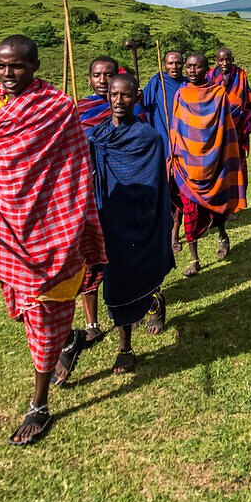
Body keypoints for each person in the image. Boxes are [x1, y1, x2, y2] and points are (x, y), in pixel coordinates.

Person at [0, 35, 106, 445]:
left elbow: (73, 168)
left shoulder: (56, 108)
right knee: (31, 311)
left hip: (52, 228)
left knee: (44, 313)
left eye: (16, 66)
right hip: (7, 230)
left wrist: (64, 220)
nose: (7, 74)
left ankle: (39, 405)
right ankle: (68, 339)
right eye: (1, 66)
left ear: (36, 66)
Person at [81, 74, 175, 374]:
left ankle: (139, 327)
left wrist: (136, 211)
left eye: (125, 96)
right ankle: (122, 344)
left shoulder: (148, 138)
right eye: (113, 95)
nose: (118, 101)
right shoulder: (97, 135)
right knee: (113, 284)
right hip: (105, 217)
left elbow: (152, 185)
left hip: (136, 220)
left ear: (136, 97)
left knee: (136, 277)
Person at [70, 56, 147, 352]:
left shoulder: (133, 110)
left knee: (124, 257)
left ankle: (136, 306)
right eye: (97, 75)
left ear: (118, 77)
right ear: (89, 79)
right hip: (88, 194)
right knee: (89, 258)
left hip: (124, 193)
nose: (102, 80)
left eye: (109, 75)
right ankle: (91, 323)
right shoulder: (78, 110)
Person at [169, 53, 245, 275]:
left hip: (214, 159)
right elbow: (176, 126)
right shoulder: (181, 94)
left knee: (217, 206)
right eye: (189, 66)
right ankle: (194, 259)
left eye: (197, 67)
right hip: (187, 163)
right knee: (190, 211)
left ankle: (222, 235)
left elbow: (225, 126)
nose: (192, 70)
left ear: (206, 69)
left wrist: (220, 154)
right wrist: (175, 154)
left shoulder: (218, 93)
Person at [142, 50, 188, 250]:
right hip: (162, 145)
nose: (174, 67)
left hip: (185, 146)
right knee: (165, 192)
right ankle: (167, 232)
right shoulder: (157, 82)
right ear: (164, 64)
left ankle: (176, 232)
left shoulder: (187, 84)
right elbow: (143, 106)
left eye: (178, 63)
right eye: (170, 63)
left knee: (181, 191)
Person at [208, 47, 251, 195]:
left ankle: (235, 204)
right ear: (216, 61)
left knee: (237, 167)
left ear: (232, 59)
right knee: (216, 167)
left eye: (228, 59)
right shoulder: (209, 76)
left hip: (237, 131)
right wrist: (222, 85)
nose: (224, 63)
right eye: (221, 60)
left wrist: (245, 126)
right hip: (215, 131)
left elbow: (250, 104)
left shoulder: (241, 75)